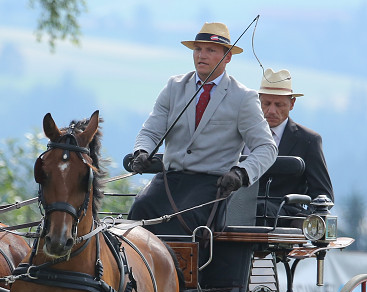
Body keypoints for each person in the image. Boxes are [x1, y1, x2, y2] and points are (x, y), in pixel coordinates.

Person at [127, 22, 277, 236]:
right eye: (198, 49)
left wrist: (241, 173)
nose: (201, 55)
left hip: (211, 185)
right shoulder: (173, 87)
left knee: (185, 222)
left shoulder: (243, 97)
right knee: (139, 210)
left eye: (210, 50)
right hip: (170, 179)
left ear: (227, 57)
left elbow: (266, 148)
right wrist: (141, 151)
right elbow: (151, 132)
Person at [255, 68, 334, 224]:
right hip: (238, 214)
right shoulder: (242, 135)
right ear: (258, 102)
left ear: (292, 103)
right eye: (266, 104)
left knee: (260, 208)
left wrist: (304, 222)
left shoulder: (308, 141)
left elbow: (323, 194)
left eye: (279, 105)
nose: (271, 111)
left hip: (285, 217)